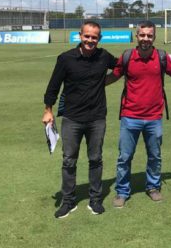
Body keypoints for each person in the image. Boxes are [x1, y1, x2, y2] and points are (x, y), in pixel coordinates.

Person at [42, 21, 118, 218]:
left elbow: (120, 67)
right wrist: (48, 110)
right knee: (69, 161)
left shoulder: (104, 56)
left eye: (94, 37)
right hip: (72, 118)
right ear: (80, 36)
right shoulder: (66, 59)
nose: (90, 40)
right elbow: (53, 86)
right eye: (87, 36)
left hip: (97, 118)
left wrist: (106, 81)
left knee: (95, 159)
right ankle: (68, 201)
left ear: (99, 39)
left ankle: (95, 199)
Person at [106, 21, 171, 208]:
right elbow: (113, 77)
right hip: (129, 116)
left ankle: (153, 187)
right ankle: (122, 191)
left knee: (155, 156)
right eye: (142, 35)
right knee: (124, 157)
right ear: (137, 36)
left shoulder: (161, 57)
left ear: (154, 37)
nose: (145, 39)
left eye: (149, 35)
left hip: (154, 117)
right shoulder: (127, 57)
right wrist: (89, 86)